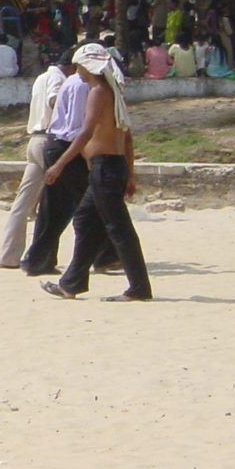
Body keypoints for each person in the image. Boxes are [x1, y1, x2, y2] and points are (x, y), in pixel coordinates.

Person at [42, 48, 152, 302]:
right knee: (84, 220)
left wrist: (59, 164)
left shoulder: (98, 92)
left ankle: (138, 288)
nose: (76, 70)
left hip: (106, 167)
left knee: (119, 229)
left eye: (78, 66)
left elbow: (85, 132)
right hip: (109, 167)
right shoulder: (109, 92)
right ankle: (71, 283)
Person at [22, 43, 119, 276]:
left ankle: (38, 259)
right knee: (94, 203)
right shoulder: (83, 86)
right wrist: (69, 160)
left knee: (54, 207)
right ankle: (104, 255)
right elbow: (78, 129)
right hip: (66, 147)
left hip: (59, 144)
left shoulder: (75, 84)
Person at [0, 49, 76, 269]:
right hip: (49, 140)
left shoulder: (42, 77)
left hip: (34, 139)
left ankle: (9, 255)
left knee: (23, 202)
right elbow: (54, 99)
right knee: (61, 201)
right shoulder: (58, 80)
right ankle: (43, 255)